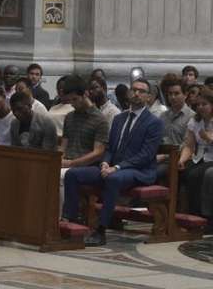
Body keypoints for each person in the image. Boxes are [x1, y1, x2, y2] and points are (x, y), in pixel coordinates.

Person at [63, 79, 163, 246]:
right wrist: (105, 163)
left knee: (113, 179)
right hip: (113, 167)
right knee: (72, 174)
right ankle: (71, 222)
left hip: (140, 170)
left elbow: (146, 155)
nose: (136, 93)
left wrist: (117, 167)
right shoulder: (119, 119)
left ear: (148, 97)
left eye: (142, 91)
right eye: (134, 89)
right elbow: (109, 148)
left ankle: (100, 231)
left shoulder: (154, 122)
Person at [178, 88, 213, 233]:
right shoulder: (195, 120)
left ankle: (200, 217)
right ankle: (182, 214)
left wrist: (208, 139)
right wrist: (181, 160)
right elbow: (189, 145)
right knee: (181, 172)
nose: (200, 107)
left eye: (204, 104)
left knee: (196, 175)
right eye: (198, 105)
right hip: (200, 157)